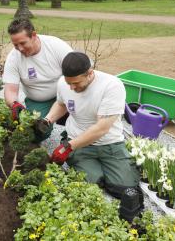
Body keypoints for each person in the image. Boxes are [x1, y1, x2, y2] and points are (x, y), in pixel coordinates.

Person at [39, 51, 142, 204]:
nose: (72, 88)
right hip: (79, 145)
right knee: (90, 184)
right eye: (69, 83)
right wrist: (47, 120)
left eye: (76, 83)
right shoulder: (63, 83)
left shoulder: (111, 86)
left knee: (123, 188)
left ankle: (115, 171)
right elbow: (61, 104)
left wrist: (67, 147)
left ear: (90, 73)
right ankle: (93, 170)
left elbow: (102, 128)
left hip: (109, 144)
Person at [2, 18, 73, 140]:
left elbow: (78, 76)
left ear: (34, 35)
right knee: (35, 134)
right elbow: (11, 90)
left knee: (83, 118)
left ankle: (70, 136)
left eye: (23, 43)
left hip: (66, 95)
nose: (20, 49)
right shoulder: (13, 58)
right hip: (40, 101)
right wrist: (14, 105)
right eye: (15, 45)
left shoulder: (56, 46)